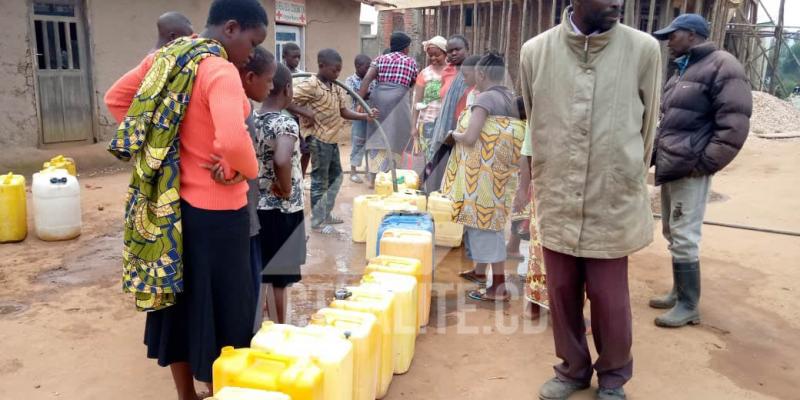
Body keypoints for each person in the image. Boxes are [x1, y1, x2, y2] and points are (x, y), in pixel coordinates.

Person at [104, 0, 269, 398]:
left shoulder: (166, 59)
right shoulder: (220, 70)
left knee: (178, 307)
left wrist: (169, 147)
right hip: (220, 215)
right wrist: (248, 169)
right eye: (253, 41)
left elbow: (117, 100)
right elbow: (233, 141)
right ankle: (221, 389)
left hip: (172, 209)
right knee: (228, 312)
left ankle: (186, 394)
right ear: (231, 29)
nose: (252, 52)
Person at [519, 0, 663, 398]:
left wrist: (622, 172)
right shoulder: (535, 52)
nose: (617, 1)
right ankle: (572, 370)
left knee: (609, 298)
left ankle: (614, 376)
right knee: (561, 292)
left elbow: (648, 128)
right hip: (558, 196)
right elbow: (536, 120)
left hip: (610, 197)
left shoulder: (643, 49)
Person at [650, 14, 752, 328]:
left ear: (692, 35)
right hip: (674, 165)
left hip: (690, 167)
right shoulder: (685, 70)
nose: (668, 42)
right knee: (672, 230)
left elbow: (734, 125)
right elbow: (671, 122)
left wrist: (702, 165)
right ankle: (679, 291)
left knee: (684, 235)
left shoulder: (723, 66)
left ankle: (688, 304)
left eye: (674, 35)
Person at [441, 53, 525, 302]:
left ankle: (497, 287)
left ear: (482, 74)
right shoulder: (510, 98)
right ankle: (479, 272)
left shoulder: (485, 98)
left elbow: (469, 137)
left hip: (482, 176)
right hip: (500, 174)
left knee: (485, 226)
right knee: (489, 223)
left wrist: (452, 134)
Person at [292, 49, 376, 231]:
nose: (337, 74)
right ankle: (317, 220)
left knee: (336, 177)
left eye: (339, 70)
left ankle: (325, 214)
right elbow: (286, 99)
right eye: (334, 70)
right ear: (321, 66)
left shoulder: (336, 86)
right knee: (319, 181)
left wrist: (365, 116)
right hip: (318, 139)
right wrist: (305, 112)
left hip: (332, 140)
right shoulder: (311, 85)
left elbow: (343, 111)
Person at [253, 64, 307, 324]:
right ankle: (279, 327)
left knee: (261, 269)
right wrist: (285, 188)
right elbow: (282, 159)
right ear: (287, 89)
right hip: (283, 209)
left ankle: (259, 319)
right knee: (280, 277)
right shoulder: (285, 122)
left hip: (257, 207)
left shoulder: (253, 119)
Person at [233, 47, 276, 329]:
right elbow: (233, 145)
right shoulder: (237, 103)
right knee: (244, 283)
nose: (271, 87)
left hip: (247, 210)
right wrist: (241, 169)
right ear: (249, 77)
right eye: (269, 80)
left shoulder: (244, 105)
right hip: (241, 215)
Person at [359, 32, 419, 187]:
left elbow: (367, 79)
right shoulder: (411, 62)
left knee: (376, 135)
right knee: (397, 135)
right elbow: (414, 82)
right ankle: (393, 178)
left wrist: (360, 100)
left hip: (378, 100)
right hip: (399, 101)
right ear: (406, 48)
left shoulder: (379, 59)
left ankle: (374, 179)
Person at [423, 35, 471, 194]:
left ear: (467, 49)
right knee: (443, 167)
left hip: (467, 128)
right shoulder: (447, 71)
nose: (453, 53)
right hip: (446, 127)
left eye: (458, 49)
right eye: (450, 51)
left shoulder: (474, 71)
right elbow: (445, 99)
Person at [412, 35, 447, 161]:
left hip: (447, 124)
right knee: (429, 160)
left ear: (445, 53)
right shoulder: (424, 74)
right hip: (427, 123)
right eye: (430, 55)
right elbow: (416, 102)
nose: (433, 58)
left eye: (437, 55)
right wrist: (413, 127)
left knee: (444, 160)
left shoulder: (453, 72)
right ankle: (430, 181)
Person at [282, 42, 312, 187]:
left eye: (298, 57)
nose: (296, 60)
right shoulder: (280, 74)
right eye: (293, 57)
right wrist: (303, 112)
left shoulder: (302, 75)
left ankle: (301, 177)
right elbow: (284, 101)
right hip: (285, 117)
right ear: (284, 56)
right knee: (287, 152)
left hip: (301, 119)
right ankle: (287, 180)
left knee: (307, 149)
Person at [345, 54, 375, 183]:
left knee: (371, 143)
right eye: (366, 67)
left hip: (371, 116)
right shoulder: (350, 80)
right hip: (358, 117)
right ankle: (353, 171)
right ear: (357, 66)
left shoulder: (373, 80)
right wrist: (365, 93)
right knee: (358, 142)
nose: (369, 70)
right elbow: (356, 96)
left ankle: (369, 171)